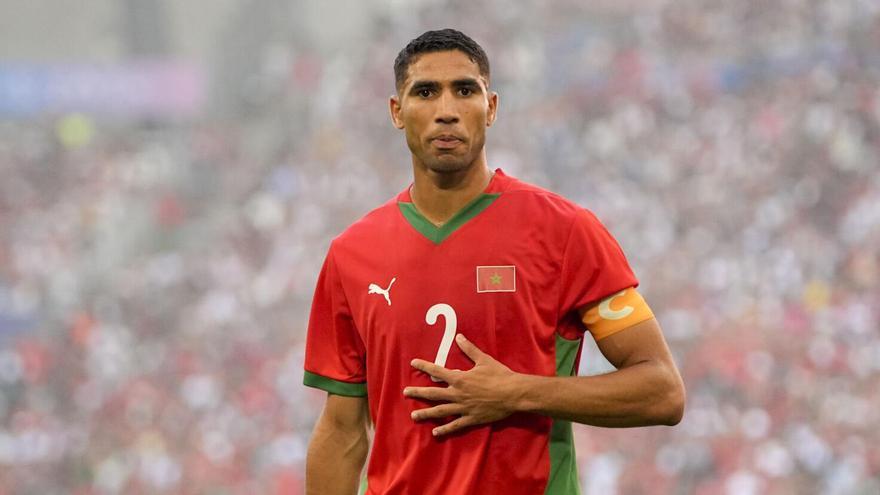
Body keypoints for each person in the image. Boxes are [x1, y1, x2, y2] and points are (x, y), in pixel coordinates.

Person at [303, 28, 685, 495]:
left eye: (465, 90)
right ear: (397, 112)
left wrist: (518, 392)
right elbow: (341, 430)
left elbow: (662, 391)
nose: (447, 110)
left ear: (492, 107)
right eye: (426, 92)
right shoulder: (351, 254)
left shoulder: (565, 231)